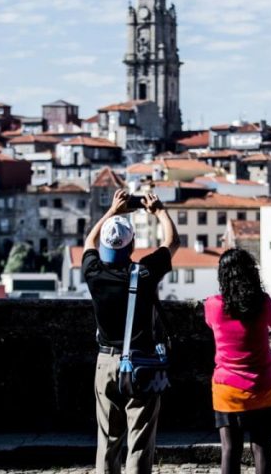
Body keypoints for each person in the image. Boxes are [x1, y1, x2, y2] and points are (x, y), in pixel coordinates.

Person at [83, 188, 179, 474]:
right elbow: (173, 242)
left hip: (106, 362)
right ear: (131, 246)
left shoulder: (94, 273)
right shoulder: (145, 273)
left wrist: (113, 210)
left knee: (108, 438)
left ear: (105, 248)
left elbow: (89, 240)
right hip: (142, 362)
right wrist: (159, 210)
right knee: (140, 439)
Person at [204, 248, 271, 474]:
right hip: (263, 385)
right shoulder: (263, 302)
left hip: (226, 387)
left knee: (230, 448)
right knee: (262, 448)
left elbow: (211, 324)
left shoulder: (212, 305)